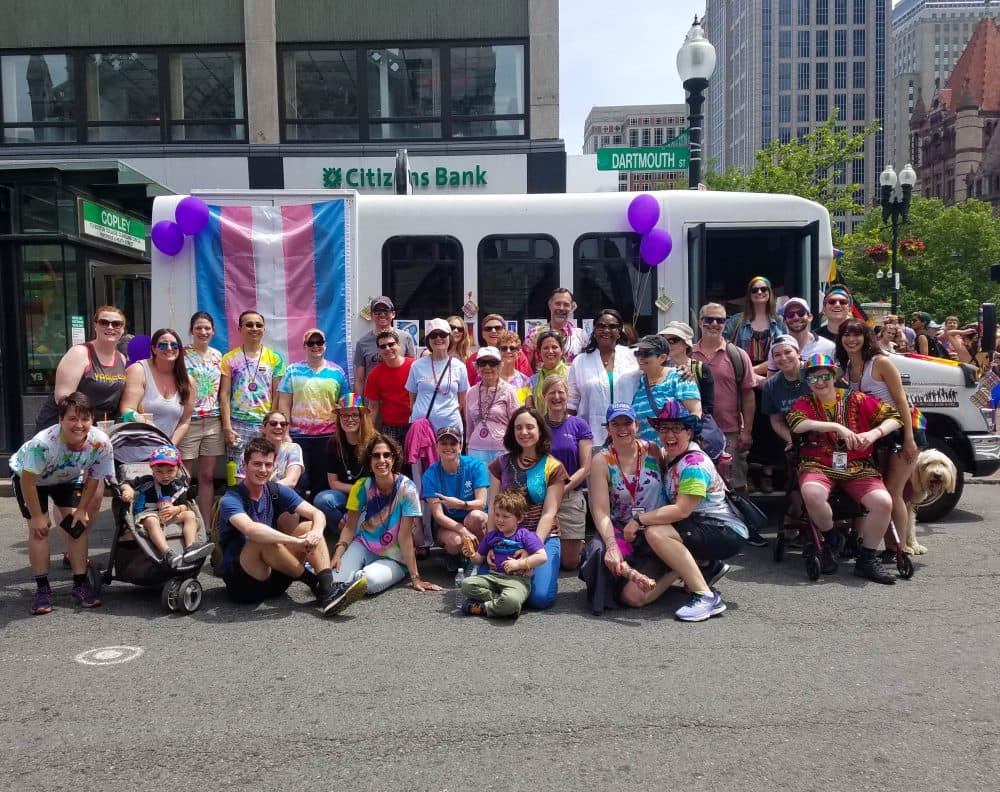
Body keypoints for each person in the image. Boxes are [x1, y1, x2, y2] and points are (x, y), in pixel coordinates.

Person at [786, 355, 903, 584]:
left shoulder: (858, 399)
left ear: (835, 377)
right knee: (811, 493)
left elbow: (894, 417)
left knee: (883, 502)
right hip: (817, 464)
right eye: (813, 378)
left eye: (825, 376)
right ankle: (832, 538)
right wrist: (836, 427)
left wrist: (873, 434)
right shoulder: (804, 403)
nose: (820, 382)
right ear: (807, 381)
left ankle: (867, 559)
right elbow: (797, 423)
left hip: (858, 466)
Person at [630, 400, 750, 621]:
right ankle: (706, 566)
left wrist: (638, 519)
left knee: (656, 532)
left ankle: (706, 596)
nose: (669, 435)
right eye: (664, 429)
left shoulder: (693, 464)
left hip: (722, 530)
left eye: (677, 428)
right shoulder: (674, 457)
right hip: (704, 525)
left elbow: (682, 511)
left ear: (689, 431)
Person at [12, 392, 115, 614]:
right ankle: (42, 589)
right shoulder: (43, 444)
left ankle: (80, 585)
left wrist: (81, 509)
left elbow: (95, 476)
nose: (79, 425)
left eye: (85, 419)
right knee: (39, 530)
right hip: (33, 481)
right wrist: (39, 516)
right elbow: (27, 482)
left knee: (77, 527)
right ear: (61, 420)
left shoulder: (100, 442)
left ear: (92, 420)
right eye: (72, 419)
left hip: (66, 478)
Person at [217, 437, 341, 612]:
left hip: (277, 579)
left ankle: (328, 591)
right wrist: (295, 542)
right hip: (244, 585)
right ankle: (316, 585)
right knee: (261, 537)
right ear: (244, 466)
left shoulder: (275, 490)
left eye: (268, 465)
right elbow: (250, 530)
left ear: (274, 466)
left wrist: (316, 532)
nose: (263, 470)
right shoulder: (231, 498)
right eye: (257, 464)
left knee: (308, 527)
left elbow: (317, 513)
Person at [327, 434, 442, 614]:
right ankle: (341, 588)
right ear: (369, 460)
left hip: (394, 557)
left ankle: (349, 586)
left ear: (394, 458)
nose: (381, 460)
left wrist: (416, 578)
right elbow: (350, 527)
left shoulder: (407, 488)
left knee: (367, 580)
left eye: (386, 455)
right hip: (364, 545)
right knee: (334, 578)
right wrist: (338, 553)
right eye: (376, 455)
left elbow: (404, 537)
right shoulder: (361, 486)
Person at [837, 319, 922, 557]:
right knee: (880, 492)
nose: (851, 340)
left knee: (893, 491)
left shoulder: (881, 363)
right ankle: (876, 543)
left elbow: (902, 401)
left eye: (857, 335)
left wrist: (909, 439)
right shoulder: (847, 368)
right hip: (878, 435)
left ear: (866, 338)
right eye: (846, 335)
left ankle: (898, 549)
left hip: (903, 430)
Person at [582, 404, 669, 615]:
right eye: (616, 424)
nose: (622, 429)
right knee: (597, 551)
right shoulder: (601, 460)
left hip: (654, 527)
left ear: (636, 425)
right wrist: (611, 545)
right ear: (608, 429)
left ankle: (677, 568)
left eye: (627, 423)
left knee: (633, 595)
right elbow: (601, 511)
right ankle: (614, 590)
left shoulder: (654, 451)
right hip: (621, 527)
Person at [486, 406, 568, 610]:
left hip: (542, 538)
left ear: (540, 431)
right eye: (518, 428)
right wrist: (489, 544)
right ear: (512, 432)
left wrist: (531, 549)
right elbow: (492, 508)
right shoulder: (501, 464)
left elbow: (550, 513)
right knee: (484, 585)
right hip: (505, 537)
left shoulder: (554, 467)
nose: (524, 432)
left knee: (539, 599)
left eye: (530, 427)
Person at [692, 303, 758, 515]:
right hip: (695, 432)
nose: (714, 324)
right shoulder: (687, 354)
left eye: (720, 320)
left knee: (736, 483)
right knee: (698, 483)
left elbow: (748, 394)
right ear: (699, 322)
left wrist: (747, 430)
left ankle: (747, 524)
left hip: (729, 431)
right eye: (709, 319)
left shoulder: (737, 355)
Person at [276, 328, 348, 496]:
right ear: (304, 346)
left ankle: (320, 520)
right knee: (299, 482)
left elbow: (344, 404)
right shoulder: (292, 371)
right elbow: (284, 403)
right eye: (311, 343)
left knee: (322, 483)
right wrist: (286, 434)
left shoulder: (337, 372)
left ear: (325, 345)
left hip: (328, 437)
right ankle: (299, 520)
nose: (315, 346)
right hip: (298, 437)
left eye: (319, 342)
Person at [34, 305, 127, 431]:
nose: (110, 327)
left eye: (116, 324)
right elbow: (63, 398)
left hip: (100, 429)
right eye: (104, 322)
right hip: (68, 428)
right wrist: (83, 425)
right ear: (95, 326)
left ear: (122, 329)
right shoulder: (79, 353)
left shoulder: (121, 358)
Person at [458, 488, 547, 619]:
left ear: (519, 518)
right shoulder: (491, 536)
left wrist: (519, 564)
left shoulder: (525, 536)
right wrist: (471, 554)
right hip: (493, 577)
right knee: (466, 585)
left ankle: (484, 608)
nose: (500, 520)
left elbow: (542, 557)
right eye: (497, 515)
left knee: (512, 599)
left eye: (505, 516)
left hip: (517, 580)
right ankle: (504, 605)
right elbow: (478, 560)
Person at [119, 444, 211, 569]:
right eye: (159, 472)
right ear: (152, 470)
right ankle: (167, 553)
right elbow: (125, 483)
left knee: (190, 514)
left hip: (169, 514)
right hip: (147, 515)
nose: (165, 476)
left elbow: (185, 505)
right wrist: (127, 490)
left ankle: (191, 548)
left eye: (170, 471)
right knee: (152, 520)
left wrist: (177, 509)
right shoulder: (146, 481)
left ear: (178, 469)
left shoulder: (178, 485)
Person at [760, 335, 812, 533]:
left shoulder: (815, 374)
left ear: (798, 353)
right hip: (796, 439)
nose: (783, 358)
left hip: (826, 436)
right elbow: (776, 420)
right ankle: (801, 517)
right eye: (777, 354)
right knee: (795, 476)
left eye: (788, 352)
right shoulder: (772, 385)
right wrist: (793, 439)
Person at [220, 310, 285, 464]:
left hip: (264, 425)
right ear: (240, 329)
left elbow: (277, 394)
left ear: (264, 329)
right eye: (249, 324)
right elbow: (224, 393)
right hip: (238, 425)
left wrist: (271, 423)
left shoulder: (275, 359)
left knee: (264, 468)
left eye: (258, 325)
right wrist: (227, 427)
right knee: (236, 471)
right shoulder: (229, 358)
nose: (254, 328)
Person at [567, 308, 638, 447]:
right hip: (592, 438)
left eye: (612, 326)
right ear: (594, 330)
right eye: (601, 326)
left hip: (628, 435)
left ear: (619, 331)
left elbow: (658, 369)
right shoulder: (580, 361)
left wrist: (683, 367)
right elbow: (571, 403)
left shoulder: (634, 356)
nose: (606, 330)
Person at [542, 374, 592, 570]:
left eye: (560, 392)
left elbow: (586, 467)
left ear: (567, 395)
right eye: (551, 392)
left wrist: (562, 489)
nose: (556, 397)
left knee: (570, 563)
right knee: (545, 556)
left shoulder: (579, 425)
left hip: (570, 495)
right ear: (544, 395)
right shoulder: (536, 425)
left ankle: (586, 549)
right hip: (542, 497)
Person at [421, 425, 489, 569]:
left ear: (460, 446)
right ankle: (459, 556)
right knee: (455, 542)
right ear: (436, 447)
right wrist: (463, 530)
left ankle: (482, 557)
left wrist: (460, 504)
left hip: (473, 518)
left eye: (453, 443)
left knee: (476, 517)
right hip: (448, 524)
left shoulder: (476, 466)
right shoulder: (429, 475)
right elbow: (438, 516)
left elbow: (481, 503)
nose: (448, 447)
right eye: (443, 443)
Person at [180, 311, 224, 530]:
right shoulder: (181, 355)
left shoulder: (218, 356)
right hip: (190, 422)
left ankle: (206, 526)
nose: (203, 332)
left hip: (213, 421)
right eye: (198, 328)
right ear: (191, 330)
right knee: (184, 476)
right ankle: (184, 523)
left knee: (207, 476)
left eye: (207, 328)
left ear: (213, 331)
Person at [659, 321, 726, 461]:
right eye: (664, 341)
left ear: (686, 344)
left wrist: (687, 429)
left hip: (692, 434)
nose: (668, 345)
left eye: (673, 340)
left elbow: (707, 407)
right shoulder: (658, 368)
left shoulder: (700, 369)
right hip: (664, 432)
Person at [617, 334, 702, 444]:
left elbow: (695, 413)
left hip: (673, 450)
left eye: (646, 353)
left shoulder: (679, 377)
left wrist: (683, 444)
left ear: (662, 357)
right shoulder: (638, 381)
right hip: (647, 454)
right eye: (638, 353)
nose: (640, 358)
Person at [119, 327, 194, 444]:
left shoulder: (188, 381)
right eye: (163, 345)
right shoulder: (138, 370)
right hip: (134, 449)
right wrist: (148, 425)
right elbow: (127, 410)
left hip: (164, 451)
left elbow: (185, 421)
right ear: (154, 349)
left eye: (174, 345)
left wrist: (169, 446)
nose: (169, 348)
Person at [314, 394, 376, 533]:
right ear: (339, 419)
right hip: (345, 494)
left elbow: (380, 481)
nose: (349, 419)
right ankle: (348, 533)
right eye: (344, 415)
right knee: (322, 500)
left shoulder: (374, 442)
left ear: (362, 417)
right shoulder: (333, 443)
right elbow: (333, 483)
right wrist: (356, 490)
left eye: (354, 415)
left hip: (370, 494)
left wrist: (362, 493)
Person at [465, 345, 518, 464]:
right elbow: (469, 427)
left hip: (503, 449)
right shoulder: (471, 392)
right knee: (479, 483)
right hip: (476, 449)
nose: (487, 367)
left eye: (492, 363)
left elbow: (515, 423)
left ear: (499, 366)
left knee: (501, 483)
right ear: (477, 367)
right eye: (482, 363)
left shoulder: (510, 390)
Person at [723, 276, 787, 376]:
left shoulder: (780, 321)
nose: (759, 292)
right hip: (741, 378)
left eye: (764, 289)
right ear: (749, 295)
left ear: (770, 293)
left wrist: (752, 371)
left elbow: (786, 351)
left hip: (773, 378)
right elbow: (722, 346)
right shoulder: (736, 320)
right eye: (754, 290)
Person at [353, 296, 416, 394]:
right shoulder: (362, 343)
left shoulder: (406, 337)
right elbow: (359, 379)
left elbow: (413, 371)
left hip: (399, 398)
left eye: (386, 311)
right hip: (372, 400)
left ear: (393, 314)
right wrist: (358, 405)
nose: (382, 314)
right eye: (377, 311)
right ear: (371, 315)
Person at [363, 328, 415, 447]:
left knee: (416, 464)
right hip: (391, 427)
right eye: (383, 346)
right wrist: (367, 433)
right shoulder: (374, 374)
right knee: (393, 464)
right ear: (379, 350)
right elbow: (373, 406)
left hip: (414, 423)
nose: (387, 348)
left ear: (399, 345)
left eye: (391, 344)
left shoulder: (415, 366)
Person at [235, 410, 304, 489]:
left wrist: (264, 491)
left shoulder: (293, 449)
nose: (279, 427)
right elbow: (240, 482)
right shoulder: (249, 452)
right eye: (273, 424)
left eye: (283, 424)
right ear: (263, 428)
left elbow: (291, 481)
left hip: (283, 495)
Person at [522, 287, 589, 365]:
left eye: (566, 305)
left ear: (571, 307)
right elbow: (525, 368)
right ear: (550, 305)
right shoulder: (534, 334)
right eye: (557, 304)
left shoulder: (580, 335)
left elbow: (587, 366)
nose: (561, 308)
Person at [766, 298, 835, 373]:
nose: (796, 317)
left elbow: (832, 378)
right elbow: (770, 380)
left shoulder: (828, 346)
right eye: (790, 315)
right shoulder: (776, 346)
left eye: (801, 313)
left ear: (810, 317)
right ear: (784, 321)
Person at [467, 314, 532, 385]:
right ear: (483, 334)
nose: (493, 331)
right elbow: (468, 387)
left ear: (505, 331)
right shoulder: (474, 359)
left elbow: (527, 382)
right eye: (488, 329)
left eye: (498, 328)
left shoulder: (517, 355)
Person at [528, 329, 569, 414]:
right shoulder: (531, 381)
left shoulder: (572, 374)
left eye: (554, 347)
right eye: (546, 348)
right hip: (542, 425)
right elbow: (527, 409)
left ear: (562, 350)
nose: (550, 351)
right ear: (539, 352)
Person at [496, 329, 533, 404]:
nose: (508, 351)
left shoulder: (525, 381)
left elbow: (526, 407)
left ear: (518, 354)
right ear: (498, 352)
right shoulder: (489, 377)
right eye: (504, 348)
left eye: (512, 348)